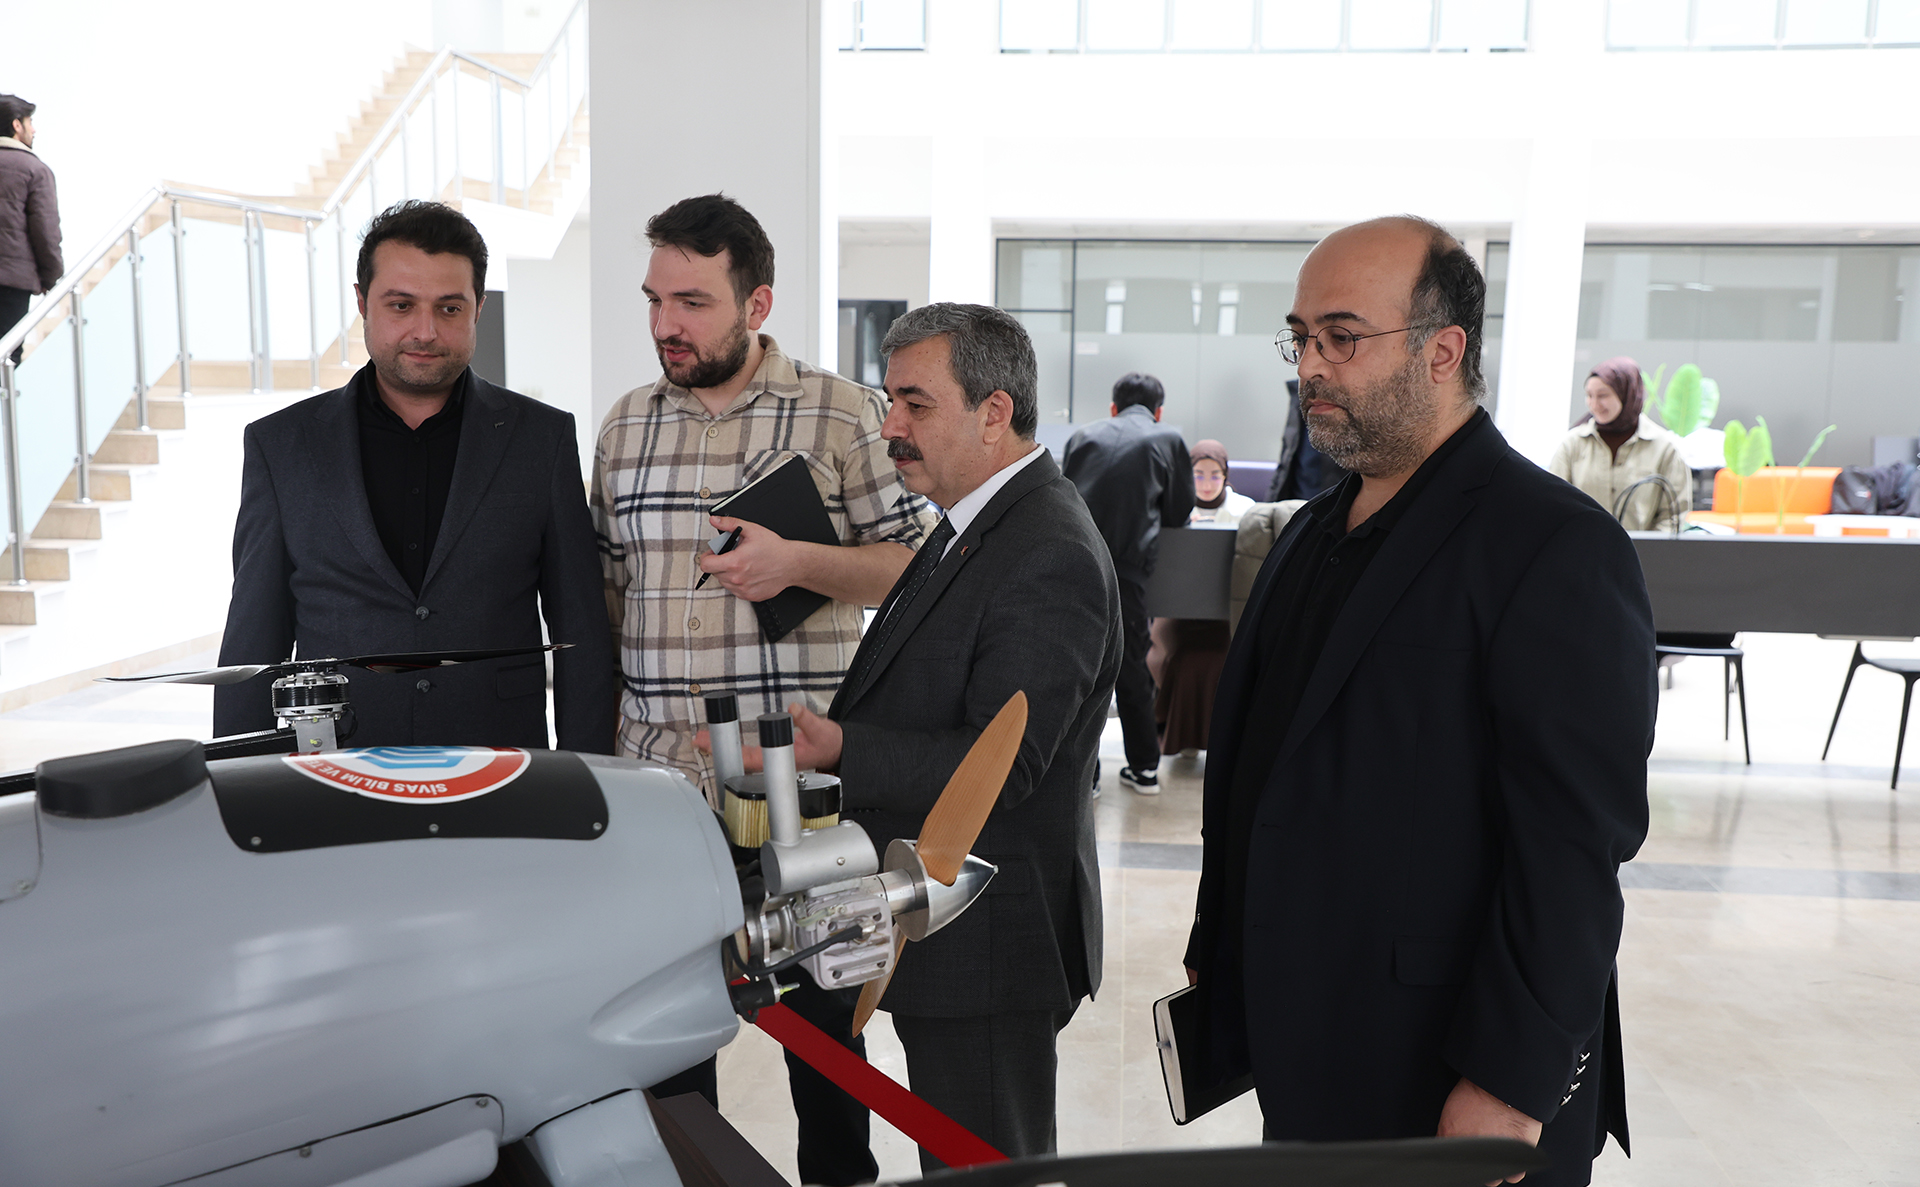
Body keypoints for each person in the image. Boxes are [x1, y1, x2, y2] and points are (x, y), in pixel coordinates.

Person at [1184, 216, 1653, 1187]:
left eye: (1342, 337)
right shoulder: (1305, 536)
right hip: (1312, 1051)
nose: (1312, 366)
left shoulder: (1553, 544)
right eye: (1301, 338)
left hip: (1452, 1073)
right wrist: (1217, 944)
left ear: (1443, 351)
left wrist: (1510, 1082)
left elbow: (1571, 850)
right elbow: (1265, 765)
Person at [592, 193, 935, 1186]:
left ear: (758, 302)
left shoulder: (842, 413)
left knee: (824, 1034)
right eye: (655, 299)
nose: (666, 323)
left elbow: (919, 572)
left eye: (692, 301)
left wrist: (800, 561)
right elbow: (609, 595)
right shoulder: (625, 425)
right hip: (658, 790)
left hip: (796, 786)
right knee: (669, 1039)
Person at [767, 302, 1119, 1171]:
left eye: (915, 405)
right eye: (891, 400)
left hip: (991, 938)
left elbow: (1002, 764)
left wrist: (841, 748)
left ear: (994, 413)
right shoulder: (974, 522)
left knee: (981, 1167)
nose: (891, 426)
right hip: (950, 925)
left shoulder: (1045, 548)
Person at [213, 200, 616, 755]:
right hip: (337, 766)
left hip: (500, 761)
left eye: (449, 308)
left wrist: (585, 776)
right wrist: (237, 781)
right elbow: (252, 643)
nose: (425, 331)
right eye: (401, 305)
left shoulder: (541, 439)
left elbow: (580, 632)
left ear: (478, 308)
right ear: (363, 303)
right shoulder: (281, 445)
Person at [1062, 372, 1194, 793]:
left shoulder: (1082, 436)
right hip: (1129, 569)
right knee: (1130, 662)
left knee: (1081, 667)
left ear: (1113, 408)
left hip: (1075, 563)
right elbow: (1179, 510)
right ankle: (1144, 768)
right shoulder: (1168, 438)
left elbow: (1063, 499)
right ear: (1158, 412)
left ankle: (1086, 777)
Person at [1547, 357, 1691, 533]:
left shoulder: (1664, 448)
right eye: (1589, 395)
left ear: (1627, 394)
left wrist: (1647, 546)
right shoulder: (1572, 444)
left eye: (1603, 395)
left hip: (1642, 550)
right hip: (1581, 548)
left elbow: (1674, 515)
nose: (1594, 404)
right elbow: (1553, 504)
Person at [0, 94, 62, 365]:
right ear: (16, 125)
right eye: (30, 122)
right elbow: (46, 231)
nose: (34, 130)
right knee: (7, 356)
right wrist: (52, 276)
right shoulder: (34, 170)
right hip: (11, 282)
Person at [1265, 380, 1347, 502]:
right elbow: (1287, 459)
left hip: (1332, 502)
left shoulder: (1350, 399)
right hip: (1295, 502)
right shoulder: (1300, 396)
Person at [1188, 439, 1255, 525]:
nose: (1207, 486)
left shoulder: (1246, 509)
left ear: (1225, 475)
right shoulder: (1175, 509)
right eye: (1199, 477)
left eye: (1215, 477)